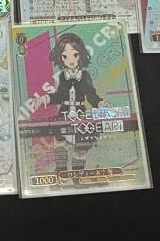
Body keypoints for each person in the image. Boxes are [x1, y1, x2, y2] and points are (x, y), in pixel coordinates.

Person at [39, 32, 110, 172]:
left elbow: (91, 96)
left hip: (80, 115)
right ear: (60, 58)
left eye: (75, 55)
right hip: (64, 114)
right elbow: (59, 96)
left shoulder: (84, 76)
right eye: (65, 56)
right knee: (60, 144)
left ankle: (78, 174)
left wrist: (101, 103)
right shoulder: (62, 76)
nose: (70, 60)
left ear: (81, 55)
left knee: (81, 147)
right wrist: (47, 98)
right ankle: (61, 171)